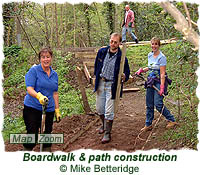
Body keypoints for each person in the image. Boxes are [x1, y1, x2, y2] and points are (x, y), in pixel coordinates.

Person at [94, 33, 130, 143]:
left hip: (112, 85)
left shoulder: (122, 57)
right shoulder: (102, 52)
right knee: (100, 108)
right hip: (101, 82)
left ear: (119, 43)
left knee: (109, 110)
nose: (113, 44)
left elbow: (127, 72)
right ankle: (104, 125)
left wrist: (124, 76)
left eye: (115, 42)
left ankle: (107, 133)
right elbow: (96, 66)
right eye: (111, 41)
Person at [135, 37, 177, 132]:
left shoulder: (162, 57)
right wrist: (142, 70)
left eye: (156, 44)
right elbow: (151, 67)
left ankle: (171, 119)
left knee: (158, 104)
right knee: (149, 103)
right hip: (151, 81)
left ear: (159, 45)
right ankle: (148, 124)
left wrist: (162, 87)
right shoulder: (150, 55)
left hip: (159, 81)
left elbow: (162, 73)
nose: (154, 46)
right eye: (152, 44)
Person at [23, 47, 61, 151]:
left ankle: (46, 154)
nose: (46, 59)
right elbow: (29, 89)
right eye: (43, 57)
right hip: (33, 108)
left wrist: (57, 110)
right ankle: (26, 154)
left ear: (51, 58)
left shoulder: (54, 74)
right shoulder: (34, 71)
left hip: (49, 109)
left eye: (48, 57)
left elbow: (55, 93)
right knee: (32, 135)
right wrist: (39, 96)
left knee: (47, 133)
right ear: (40, 59)